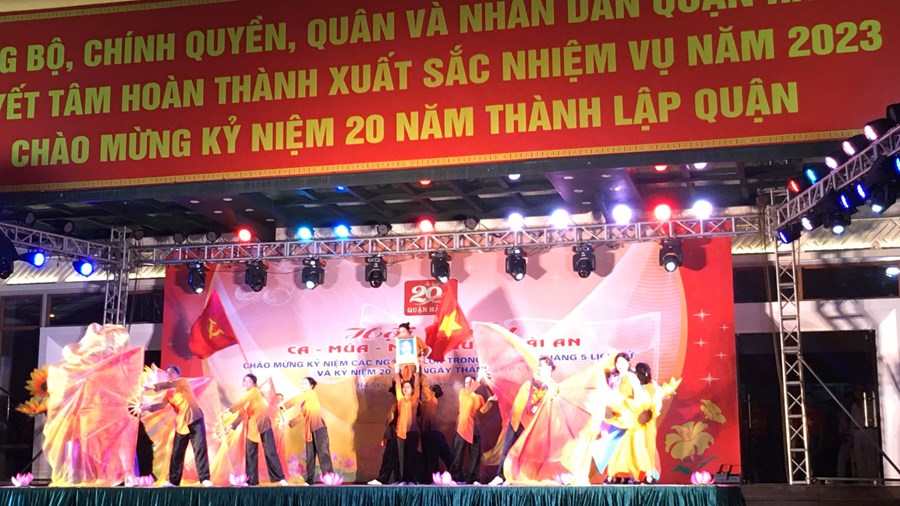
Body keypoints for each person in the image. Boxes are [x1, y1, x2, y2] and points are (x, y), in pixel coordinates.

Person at [488, 355, 556, 486]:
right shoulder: (531, 382)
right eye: (539, 366)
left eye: (542, 366)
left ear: (549, 368)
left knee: (521, 452)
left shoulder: (551, 386)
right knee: (507, 448)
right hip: (516, 419)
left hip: (530, 425)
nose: (539, 369)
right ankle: (500, 476)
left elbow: (551, 401)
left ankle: (511, 477)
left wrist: (546, 387)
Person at [142, 365, 213, 487]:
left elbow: (168, 384)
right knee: (177, 452)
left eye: (171, 373)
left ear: (178, 374)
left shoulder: (182, 382)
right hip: (182, 423)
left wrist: (153, 386)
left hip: (194, 419)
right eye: (167, 373)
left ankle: (205, 478)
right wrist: (147, 407)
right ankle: (174, 481)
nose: (168, 375)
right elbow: (162, 405)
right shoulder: (169, 392)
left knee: (199, 449)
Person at [225, 373, 288, 486]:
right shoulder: (245, 399)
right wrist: (231, 426)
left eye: (249, 381)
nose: (246, 383)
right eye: (245, 381)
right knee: (250, 454)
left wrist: (230, 409)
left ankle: (279, 478)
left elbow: (240, 403)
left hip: (263, 423)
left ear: (254, 383)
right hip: (252, 428)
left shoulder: (254, 391)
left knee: (270, 452)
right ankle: (251, 480)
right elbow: (241, 415)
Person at [285, 377, 334, 485]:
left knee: (323, 454)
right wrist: (288, 422)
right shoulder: (304, 403)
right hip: (309, 431)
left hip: (318, 427)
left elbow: (297, 398)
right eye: (302, 383)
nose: (303, 385)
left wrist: (283, 406)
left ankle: (330, 479)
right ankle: (310, 480)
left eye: (305, 383)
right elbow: (301, 416)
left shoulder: (311, 393)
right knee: (310, 456)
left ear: (311, 386)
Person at [450, 374, 496, 484]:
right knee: (458, 454)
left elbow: (483, 410)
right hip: (463, 427)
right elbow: (469, 391)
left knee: (475, 455)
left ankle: (473, 478)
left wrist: (490, 400)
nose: (468, 384)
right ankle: (457, 477)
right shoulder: (463, 393)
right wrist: (479, 377)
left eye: (470, 382)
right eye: (466, 382)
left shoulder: (479, 397)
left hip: (475, 428)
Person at [418, 373, 455, 482]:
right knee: (428, 455)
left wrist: (422, 374)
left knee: (431, 456)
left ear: (433, 392)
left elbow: (425, 386)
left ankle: (432, 478)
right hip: (427, 431)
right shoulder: (427, 402)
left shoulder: (432, 398)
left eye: (430, 388)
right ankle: (428, 478)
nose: (428, 389)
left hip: (431, 431)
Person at [393, 360, 421, 483]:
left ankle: (412, 479)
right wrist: (396, 369)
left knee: (411, 456)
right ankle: (402, 479)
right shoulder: (400, 398)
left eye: (408, 387)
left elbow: (418, 385)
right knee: (401, 457)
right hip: (400, 432)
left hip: (412, 432)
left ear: (412, 389)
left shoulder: (415, 399)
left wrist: (418, 368)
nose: (405, 389)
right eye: (404, 387)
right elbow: (397, 384)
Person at [368, 390, 400, 485]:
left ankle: (396, 479)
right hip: (393, 434)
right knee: (389, 456)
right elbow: (389, 422)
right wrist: (386, 436)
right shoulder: (396, 405)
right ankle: (384, 478)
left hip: (401, 433)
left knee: (396, 458)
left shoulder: (409, 403)